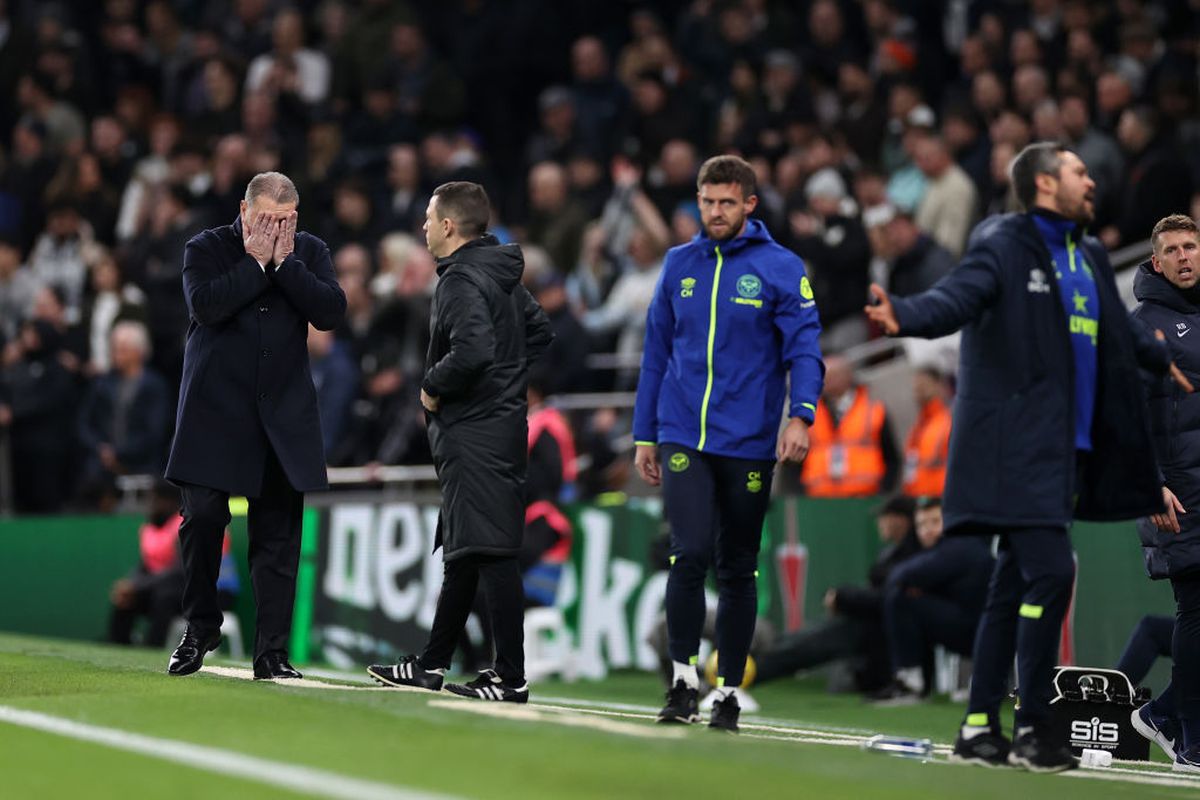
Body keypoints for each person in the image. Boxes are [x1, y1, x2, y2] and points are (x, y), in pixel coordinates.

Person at [865, 142, 1189, 772]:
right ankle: (1036, 725)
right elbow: (956, 299)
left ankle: (980, 724)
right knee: (1052, 571)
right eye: (1078, 173)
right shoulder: (1004, 243)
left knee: (1011, 584)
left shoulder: (1090, 254)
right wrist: (903, 314)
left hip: (1067, 455)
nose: (1092, 181)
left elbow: (1119, 332)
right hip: (1014, 449)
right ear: (1045, 184)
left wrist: (1160, 359)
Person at [633, 154, 823, 732]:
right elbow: (655, 354)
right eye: (706, 201)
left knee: (738, 567)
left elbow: (805, 350)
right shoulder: (677, 264)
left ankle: (729, 691)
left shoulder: (782, 268)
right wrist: (645, 433)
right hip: (683, 432)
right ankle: (684, 682)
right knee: (688, 552)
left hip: (748, 440)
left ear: (749, 205)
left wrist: (802, 416)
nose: (714, 212)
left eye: (725, 203)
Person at [367, 181, 552, 703]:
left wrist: (432, 388)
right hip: (497, 427)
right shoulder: (499, 274)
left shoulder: (460, 280)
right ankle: (431, 664)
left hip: (476, 433)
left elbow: (473, 352)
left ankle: (510, 676)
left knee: (490, 551)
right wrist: (507, 391)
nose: (423, 226)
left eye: (428, 218)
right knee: (467, 551)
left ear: (449, 225)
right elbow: (538, 333)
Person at [164, 172, 346, 679]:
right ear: (245, 213)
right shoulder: (206, 247)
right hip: (214, 412)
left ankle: (271, 652)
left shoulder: (307, 252)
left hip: (282, 417)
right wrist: (254, 262)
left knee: (279, 538)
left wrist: (284, 264)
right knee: (201, 518)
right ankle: (201, 626)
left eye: (286, 222)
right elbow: (207, 304)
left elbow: (332, 311)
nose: (277, 230)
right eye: (267, 220)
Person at [1130, 214, 1200, 773]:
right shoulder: (1145, 326)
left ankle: (1167, 713)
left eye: (1191, 246)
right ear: (1156, 262)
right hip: (1176, 493)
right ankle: (1191, 741)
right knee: (1195, 611)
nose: (1184, 256)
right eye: (1172, 249)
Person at [754, 495, 921, 693]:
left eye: (883, 517)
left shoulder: (913, 556)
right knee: (793, 641)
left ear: (900, 520)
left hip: (873, 632)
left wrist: (843, 597)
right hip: (862, 624)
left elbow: (886, 599)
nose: (879, 523)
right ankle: (735, 669)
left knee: (801, 648)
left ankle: (739, 676)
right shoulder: (892, 553)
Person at [873, 496, 994, 704]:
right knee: (906, 599)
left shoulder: (959, 545)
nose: (927, 530)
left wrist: (914, 587)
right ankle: (915, 681)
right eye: (921, 524)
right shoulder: (952, 546)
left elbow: (899, 576)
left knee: (901, 599)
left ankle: (911, 684)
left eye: (935, 522)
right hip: (978, 630)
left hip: (986, 635)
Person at [795, 354, 899, 497]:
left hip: (865, 497)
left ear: (848, 376)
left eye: (833, 375)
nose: (827, 381)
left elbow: (891, 457)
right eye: (823, 376)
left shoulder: (874, 410)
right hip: (818, 499)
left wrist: (884, 490)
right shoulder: (807, 414)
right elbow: (795, 458)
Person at [901, 366, 953, 498]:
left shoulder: (950, 420)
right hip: (920, 499)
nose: (918, 391)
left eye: (924, 385)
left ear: (939, 386)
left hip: (944, 498)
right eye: (916, 387)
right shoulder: (917, 427)